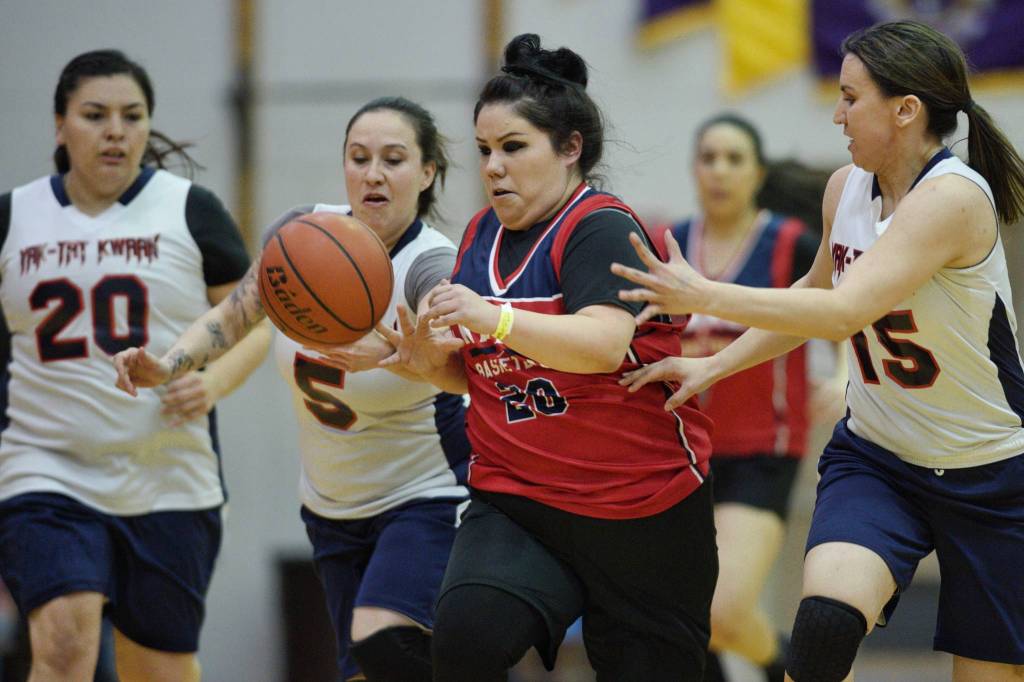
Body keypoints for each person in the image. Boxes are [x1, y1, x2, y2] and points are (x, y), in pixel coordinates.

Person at [614, 19, 1024, 682]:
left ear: (906, 109)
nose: (836, 114)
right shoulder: (845, 188)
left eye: (849, 98)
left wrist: (704, 293)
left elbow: (842, 313)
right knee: (825, 626)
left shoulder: (952, 198)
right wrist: (715, 362)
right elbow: (814, 292)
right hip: (879, 459)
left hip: (991, 474)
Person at [381, 33, 718, 682]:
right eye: (483, 151)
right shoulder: (480, 235)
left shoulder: (599, 227)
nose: (493, 167)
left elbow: (601, 345)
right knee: (465, 641)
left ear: (570, 150)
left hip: (640, 510)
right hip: (521, 498)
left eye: (513, 147)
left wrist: (495, 317)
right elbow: (484, 372)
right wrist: (426, 362)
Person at [113, 96, 470, 682]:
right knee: (363, 670)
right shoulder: (304, 236)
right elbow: (235, 313)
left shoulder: (431, 264)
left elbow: (450, 337)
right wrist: (168, 364)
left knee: (382, 640)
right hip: (331, 507)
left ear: (427, 172)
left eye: (394, 159)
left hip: (425, 495)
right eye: (359, 157)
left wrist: (410, 351)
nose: (373, 173)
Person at [0, 49, 267, 682]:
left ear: (148, 126)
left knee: (159, 669)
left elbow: (257, 318)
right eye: (95, 115)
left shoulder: (190, 210)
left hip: (168, 472)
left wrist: (214, 379)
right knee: (64, 644)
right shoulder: (13, 218)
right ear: (60, 125)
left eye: (132, 115)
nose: (115, 130)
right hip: (46, 467)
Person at [666, 113, 830, 682]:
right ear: (693, 168)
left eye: (734, 158)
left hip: (761, 450)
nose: (719, 170)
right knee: (682, 618)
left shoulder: (789, 245)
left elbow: (856, 311)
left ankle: (792, 670)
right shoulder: (670, 247)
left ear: (757, 172)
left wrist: (843, 383)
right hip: (675, 452)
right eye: (708, 157)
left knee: (725, 610)